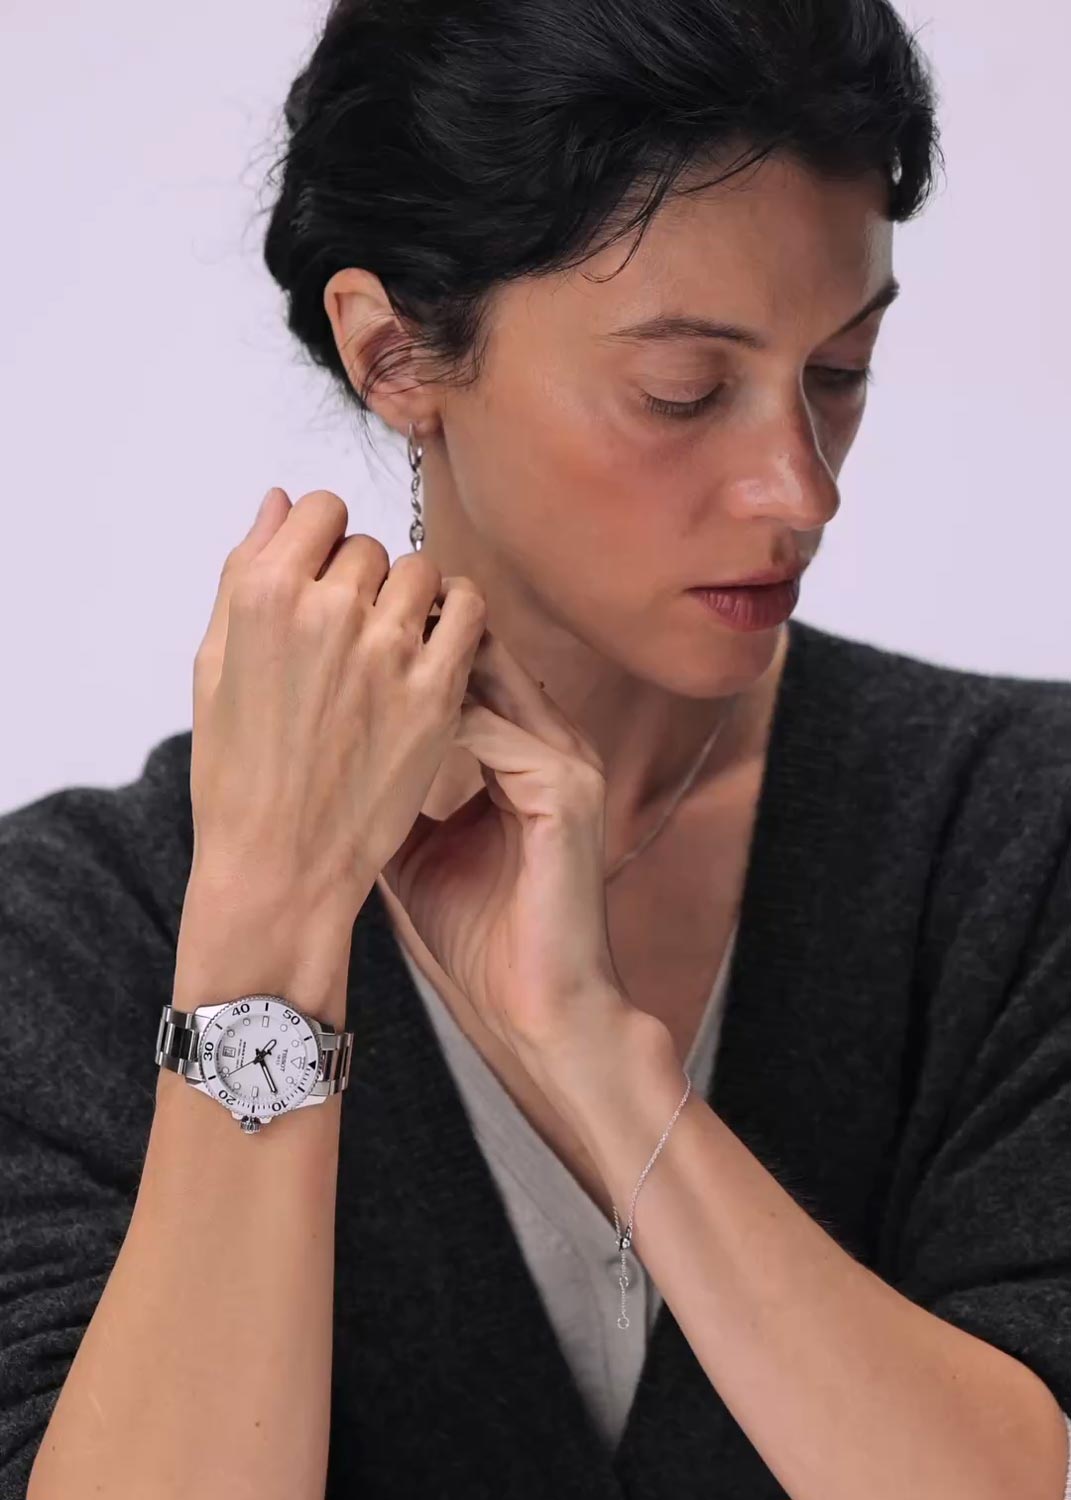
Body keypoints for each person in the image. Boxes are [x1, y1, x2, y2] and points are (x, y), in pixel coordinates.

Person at [3, 1, 1071, 1497]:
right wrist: (269, 932)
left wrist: (601, 1060)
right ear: (393, 352)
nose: (801, 488)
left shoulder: (1018, 834)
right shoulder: (69, 930)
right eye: (682, 391)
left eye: (841, 371)